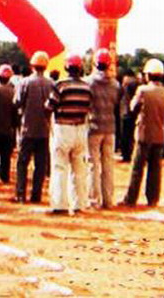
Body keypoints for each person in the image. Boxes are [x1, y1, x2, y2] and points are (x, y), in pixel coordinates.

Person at [120, 59, 164, 208]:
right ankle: (153, 199)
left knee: (137, 169)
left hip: (144, 133)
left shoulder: (143, 90)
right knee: (155, 170)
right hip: (160, 134)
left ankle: (131, 199)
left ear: (148, 75)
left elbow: (133, 107)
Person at [45, 53, 92, 215]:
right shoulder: (86, 87)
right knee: (79, 169)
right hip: (80, 129)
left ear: (66, 68)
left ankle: (60, 205)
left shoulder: (61, 85)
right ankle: (79, 204)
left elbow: (48, 107)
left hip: (63, 128)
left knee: (60, 167)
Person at [12, 51, 54, 204]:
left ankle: (20, 194)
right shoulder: (51, 84)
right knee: (40, 164)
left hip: (27, 129)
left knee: (22, 163)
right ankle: (36, 195)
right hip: (44, 130)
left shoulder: (25, 83)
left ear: (32, 65)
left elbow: (17, 102)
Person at [86, 49, 120, 210]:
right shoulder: (115, 84)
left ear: (95, 63)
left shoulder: (89, 83)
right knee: (108, 165)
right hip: (110, 128)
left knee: (93, 164)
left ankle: (94, 199)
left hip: (94, 127)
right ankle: (108, 199)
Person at [0, 64, 17, 184]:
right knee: (5, 155)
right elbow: (16, 111)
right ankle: (4, 176)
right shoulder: (13, 91)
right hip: (8, 129)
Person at [119, 69, 138, 163]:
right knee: (131, 134)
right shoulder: (136, 82)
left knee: (125, 134)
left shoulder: (125, 82)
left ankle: (125, 154)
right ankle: (130, 152)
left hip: (125, 112)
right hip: (134, 112)